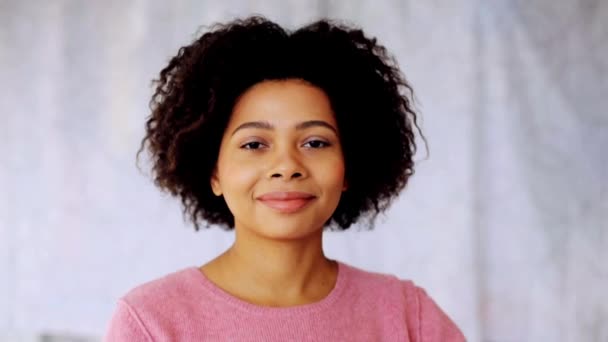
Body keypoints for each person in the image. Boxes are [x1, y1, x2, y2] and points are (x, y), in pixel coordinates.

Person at [104, 15, 465, 341]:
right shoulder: (150, 323)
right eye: (255, 144)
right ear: (213, 171)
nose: (287, 165)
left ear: (349, 167)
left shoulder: (408, 318)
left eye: (315, 142)